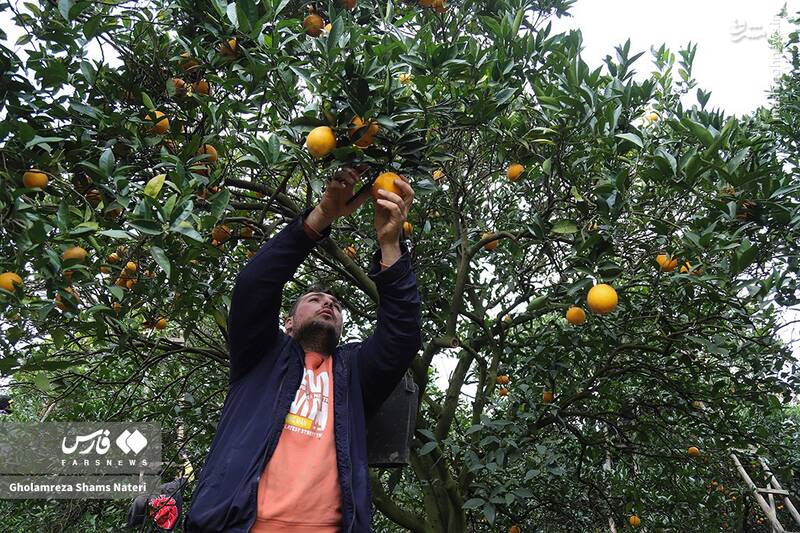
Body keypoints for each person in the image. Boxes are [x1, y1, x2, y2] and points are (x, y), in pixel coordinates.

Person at [184, 167, 422, 532]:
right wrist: (322, 215)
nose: (328, 304)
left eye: (335, 305)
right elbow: (254, 284)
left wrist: (390, 244)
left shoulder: (354, 374)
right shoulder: (260, 357)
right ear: (288, 322)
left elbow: (403, 335)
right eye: (314, 299)